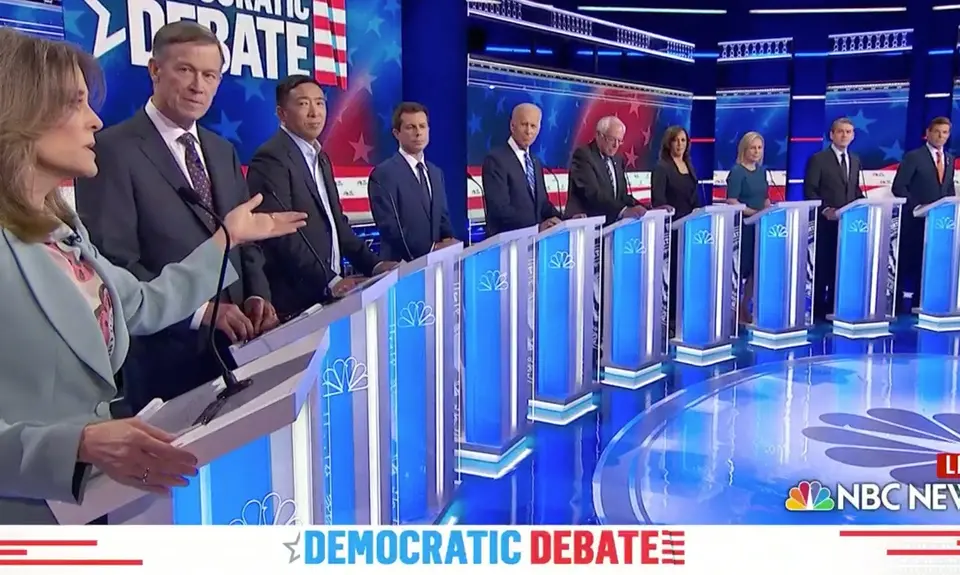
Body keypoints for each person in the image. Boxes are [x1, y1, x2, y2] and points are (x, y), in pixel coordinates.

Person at [0, 29, 305, 524]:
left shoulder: (63, 230)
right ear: (21, 112)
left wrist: (227, 239)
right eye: (76, 103)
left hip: (91, 508)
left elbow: (141, 304)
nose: (95, 120)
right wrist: (73, 445)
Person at [74, 22, 280, 412]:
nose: (197, 86)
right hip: (164, 363)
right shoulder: (111, 149)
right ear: (154, 70)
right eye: (185, 70)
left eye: (210, 75)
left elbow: (243, 238)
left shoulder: (222, 151)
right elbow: (115, 263)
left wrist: (257, 295)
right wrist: (202, 312)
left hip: (240, 348)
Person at [246, 75, 398, 319]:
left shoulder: (321, 158)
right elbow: (281, 236)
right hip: (297, 302)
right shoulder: (271, 159)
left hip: (331, 295)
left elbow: (337, 224)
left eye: (320, 103)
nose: (315, 112)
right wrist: (330, 280)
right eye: (304, 104)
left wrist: (375, 265)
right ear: (281, 113)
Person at [368, 102, 458, 261]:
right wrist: (431, 250)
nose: (418, 133)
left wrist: (450, 243)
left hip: (438, 266)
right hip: (401, 267)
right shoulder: (383, 174)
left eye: (422, 126)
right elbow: (390, 228)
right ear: (396, 133)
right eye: (410, 127)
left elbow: (442, 218)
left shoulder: (436, 173)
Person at [892, 117, 955, 312]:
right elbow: (899, 186)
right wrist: (918, 207)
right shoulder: (914, 157)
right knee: (908, 262)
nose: (941, 136)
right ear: (928, 133)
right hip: (915, 221)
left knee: (931, 263)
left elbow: (948, 189)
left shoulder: (950, 159)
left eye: (945, 132)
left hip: (939, 225)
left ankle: (923, 302)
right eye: (937, 131)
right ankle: (897, 304)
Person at [803, 117, 863, 320]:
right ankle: (819, 310)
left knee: (842, 265)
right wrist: (826, 209)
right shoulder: (818, 159)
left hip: (849, 225)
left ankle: (836, 306)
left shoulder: (855, 160)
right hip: (826, 223)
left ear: (853, 135)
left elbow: (854, 189)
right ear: (832, 135)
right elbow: (810, 190)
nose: (844, 135)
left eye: (848, 132)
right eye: (840, 131)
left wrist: (864, 206)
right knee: (824, 267)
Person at [481, 103, 562, 237]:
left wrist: (566, 220)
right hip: (506, 244)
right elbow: (500, 210)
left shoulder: (535, 162)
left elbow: (542, 205)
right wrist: (537, 227)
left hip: (534, 243)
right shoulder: (495, 160)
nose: (529, 131)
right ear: (512, 126)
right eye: (524, 124)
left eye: (533, 126)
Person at [651, 126, 699, 331]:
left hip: (690, 225)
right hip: (672, 227)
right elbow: (657, 199)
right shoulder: (662, 167)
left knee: (687, 272)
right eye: (676, 141)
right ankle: (668, 320)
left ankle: (685, 314)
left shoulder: (688, 164)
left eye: (683, 140)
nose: (680, 144)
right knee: (671, 274)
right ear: (668, 143)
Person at [725, 132, 771, 324]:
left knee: (755, 268)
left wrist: (769, 209)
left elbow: (765, 197)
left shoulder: (761, 172)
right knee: (741, 268)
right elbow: (732, 200)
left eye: (759, 148)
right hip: (744, 228)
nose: (756, 151)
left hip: (760, 227)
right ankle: (733, 308)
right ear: (744, 148)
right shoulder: (737, 172)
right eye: (753, 147)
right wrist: (753, 213)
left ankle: (745, 305)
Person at [566, 116, 646, 222]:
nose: (616, 145)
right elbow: (592, 194)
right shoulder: (583, 155)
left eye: (619, 141)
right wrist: (623, 210)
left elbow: (622, 196)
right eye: (612, 139)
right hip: (588, 225)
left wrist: (648, 209)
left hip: (613, 226)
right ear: (599, 135)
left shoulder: (617, 159)